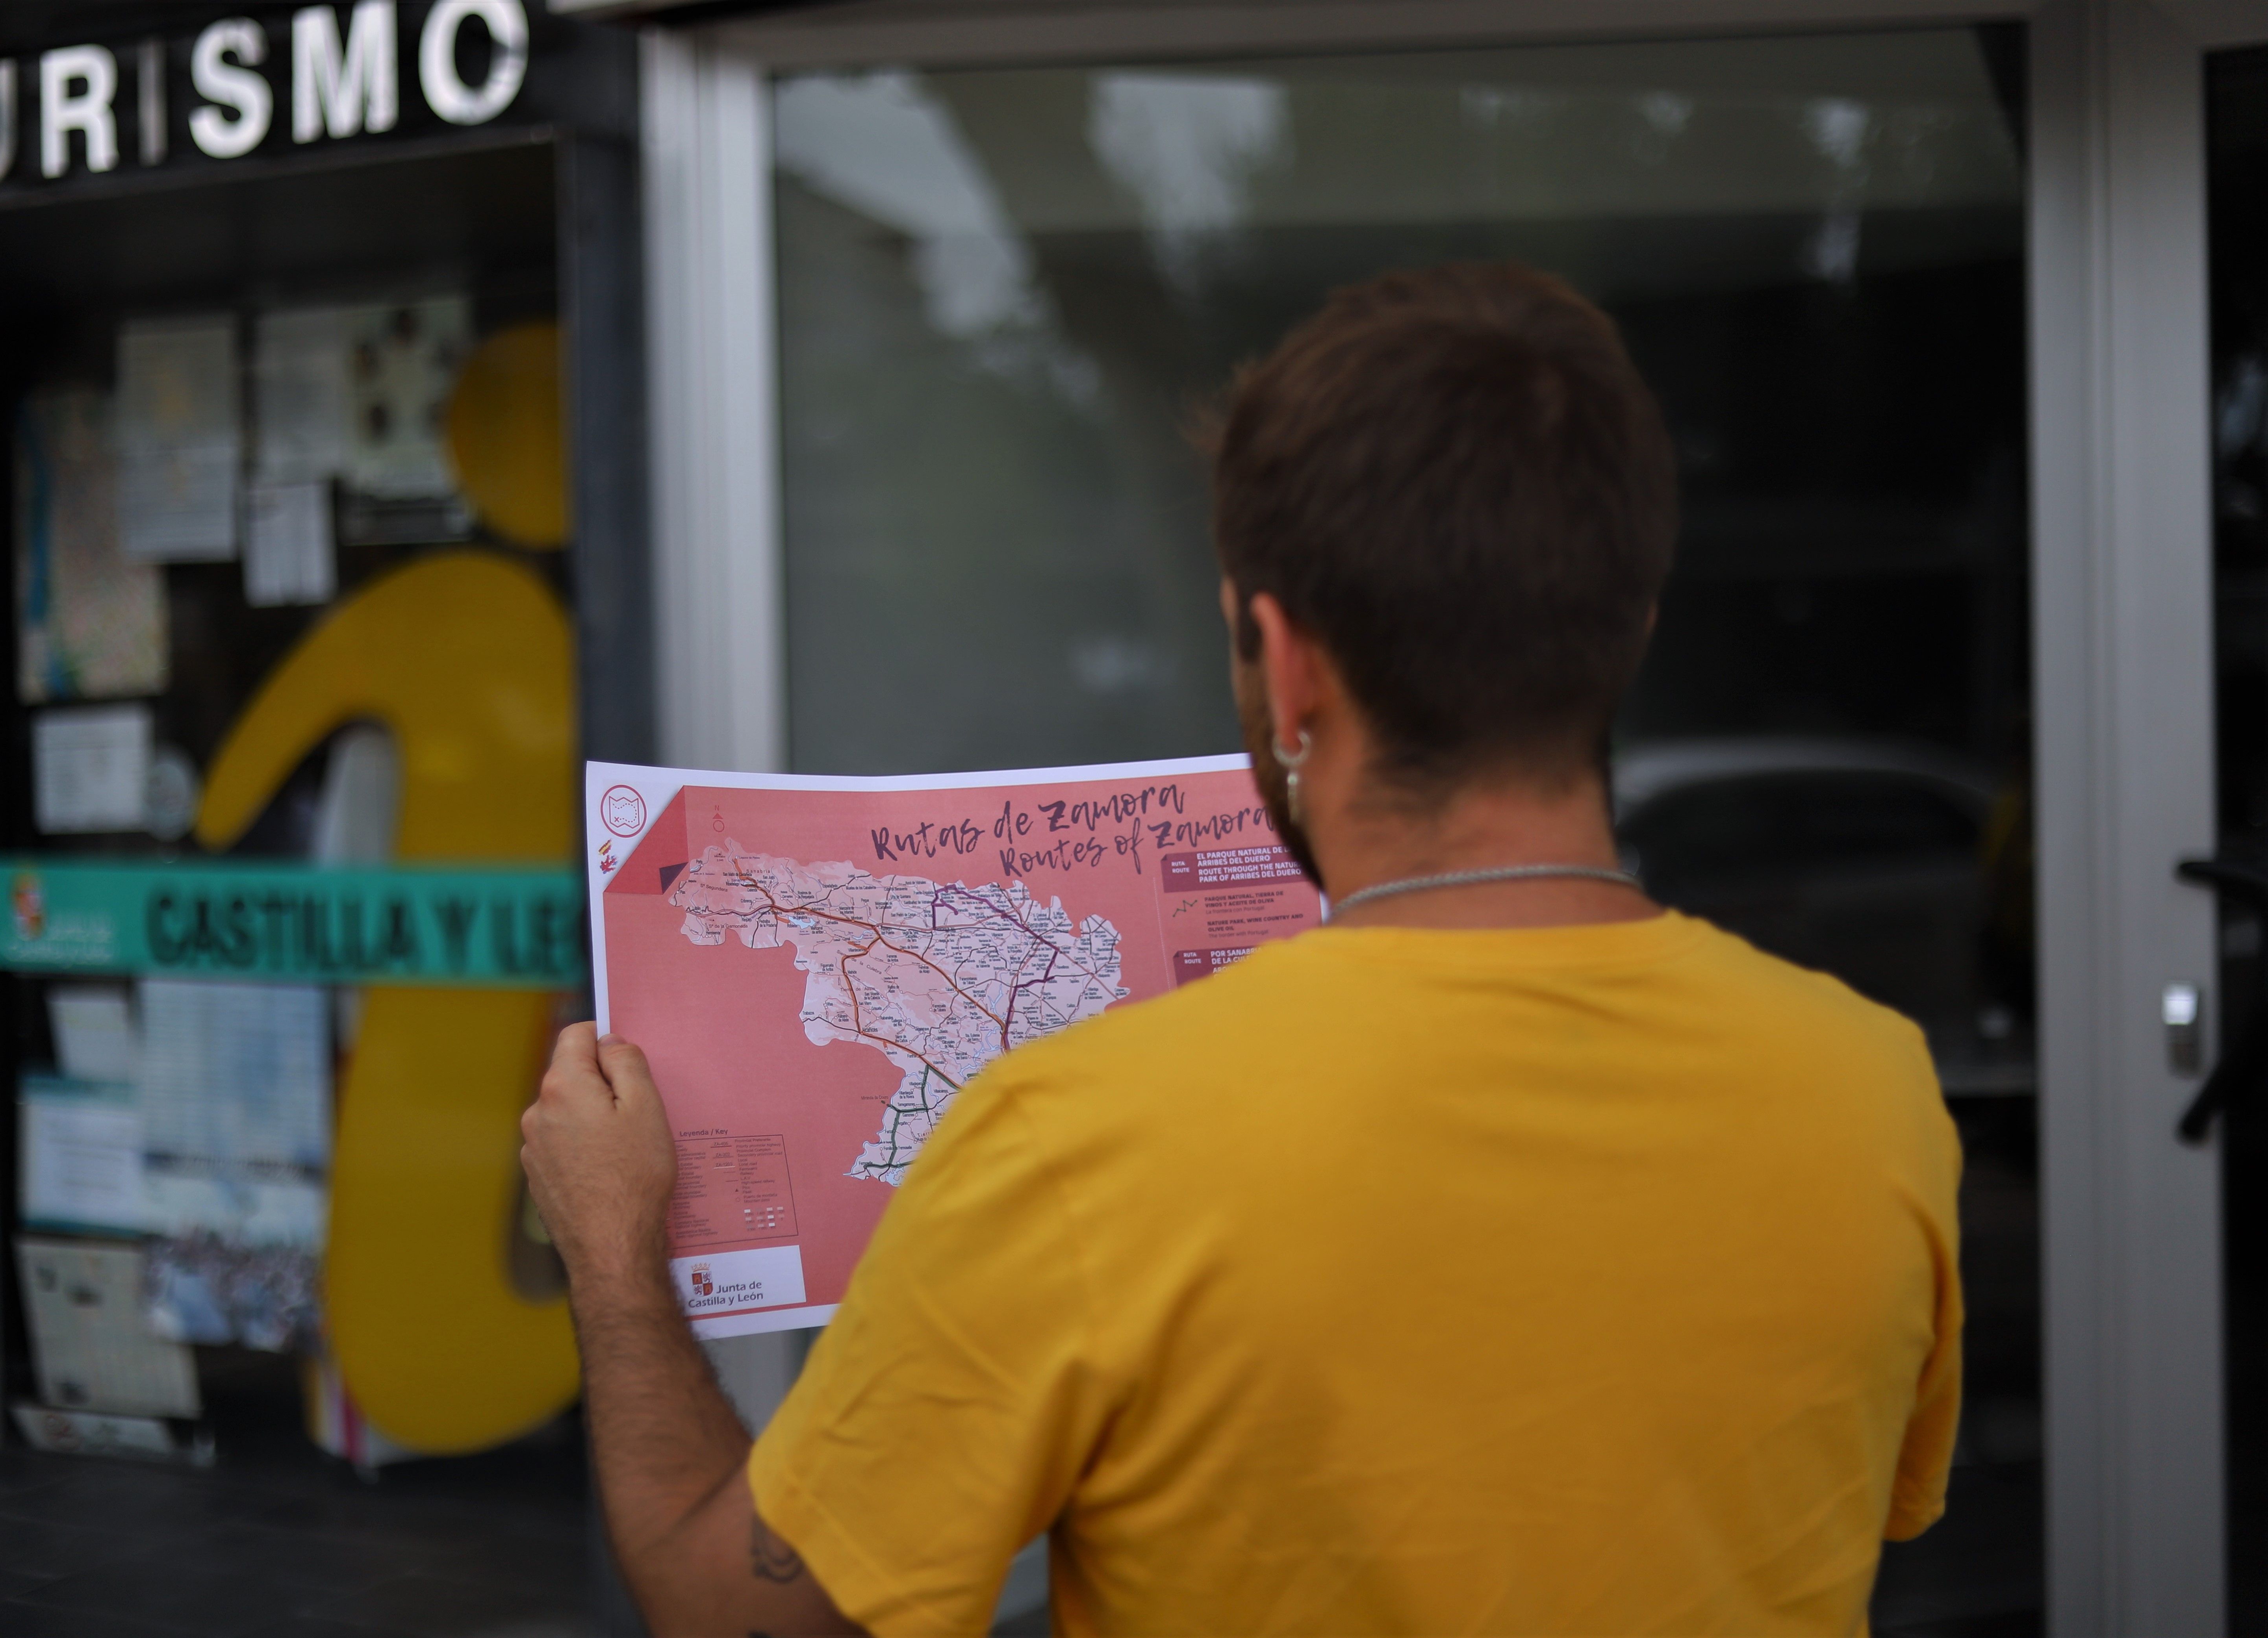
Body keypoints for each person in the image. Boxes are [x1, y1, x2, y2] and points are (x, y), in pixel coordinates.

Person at [521, 262, 1962, 1637]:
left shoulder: (1071, 1146)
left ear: (1286, 659)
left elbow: (736, 1615)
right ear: (1628, 630)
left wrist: (612, 1253)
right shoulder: (1875, 1091)